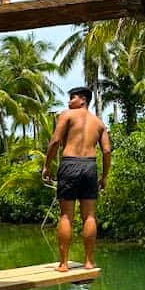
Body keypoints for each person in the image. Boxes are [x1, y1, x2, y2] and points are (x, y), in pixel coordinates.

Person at [42, 86, 110, 272]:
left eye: (72, 98)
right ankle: (89, 262)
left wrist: (47, 166)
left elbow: (55, 141)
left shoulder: (67, 115)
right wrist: (104, 177)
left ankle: (64, 264)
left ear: (83, 100)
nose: (69, 102)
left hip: (70, 164)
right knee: (89, 215)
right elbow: (106, 151)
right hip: (90, 166)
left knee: (66, 216)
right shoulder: (99, 123)